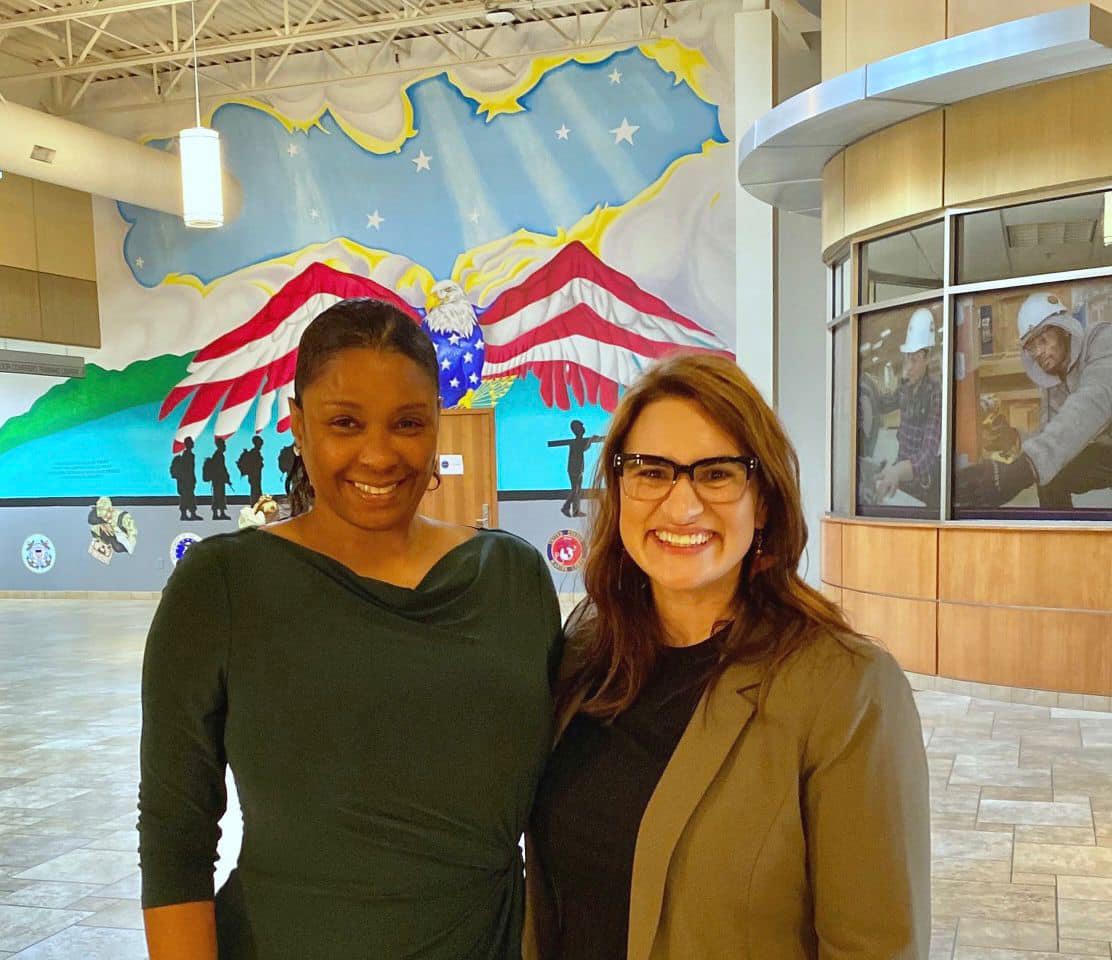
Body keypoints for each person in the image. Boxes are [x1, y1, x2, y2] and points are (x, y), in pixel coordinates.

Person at [139, 298, 563, 960]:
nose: (379, 454)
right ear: (298, 425)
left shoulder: (512, 577)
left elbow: (561, 810)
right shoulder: (223, 586)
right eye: (345, 422)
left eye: (407, 423)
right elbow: (175, 836)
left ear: (437, 425)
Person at [525, 353, 930, 960]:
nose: (681, 506)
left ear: (762, 501)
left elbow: (875, 946)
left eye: (716, 474)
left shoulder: (848, 691)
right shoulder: (588, 647)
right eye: (651, 471)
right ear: (619, 488)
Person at [956, 292, 1112, 508]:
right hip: (1106, 453)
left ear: (1064, 330)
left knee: (1040, 466)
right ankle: (1056, 528)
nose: (1038, 352)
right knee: (1049, 474)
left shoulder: (1102, 340)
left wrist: (1025, 468)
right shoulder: (1054, 383)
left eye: (1043, 340)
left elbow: (1092, 405)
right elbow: (1052, 437)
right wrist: (1015, 439)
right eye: (1031, 346)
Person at [871, 307, 942, 509]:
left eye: (915, 359)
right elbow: (884, 404)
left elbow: (927, 455)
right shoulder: (905, 387)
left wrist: (897, 471)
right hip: (901, 475)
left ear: (927, 358)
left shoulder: (935, 394)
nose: (908, 367)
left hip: (922, 485)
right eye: (906, 358)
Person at [548, 420, 604, 517]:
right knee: (575, 489)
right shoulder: (576, 442)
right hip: (574, 468)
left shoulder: (578, 441)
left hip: (578, 468)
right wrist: (591, 440)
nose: (583, 428)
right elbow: (583, 448)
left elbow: (583, 448)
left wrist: (590, 440)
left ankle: (575, 510)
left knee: (577, 490)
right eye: (581, 427)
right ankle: (566, 507)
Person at [171, 436, 202, 521]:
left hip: (188, 480)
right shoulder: (187, 456)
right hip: (185, 481)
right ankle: (185, 514)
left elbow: (191, 470)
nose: (193, 443)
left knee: (189, 497)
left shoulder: (190, 455)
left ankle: (190, 514)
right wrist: (190, 479)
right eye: (191, 442)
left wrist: (193, 479)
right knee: (186, 497)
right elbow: (188, 470)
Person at [204, 437, 233, 521]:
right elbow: (222, 469)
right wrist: (226, 478)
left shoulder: (218, 455)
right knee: (218, 496)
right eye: (223, 445)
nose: (225, 446)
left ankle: (220, 513)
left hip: (218, 480)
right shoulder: (218, 455)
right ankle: (217, 513)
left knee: (219, 496)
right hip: (218, 480)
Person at [237, 435, 265, 503]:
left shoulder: (254, 452)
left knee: (255, 490)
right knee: (256, 491)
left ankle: (256, 503)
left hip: (254, 476)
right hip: (254, 476)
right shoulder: (255, 453)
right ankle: (256, 504)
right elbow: (257, 465)